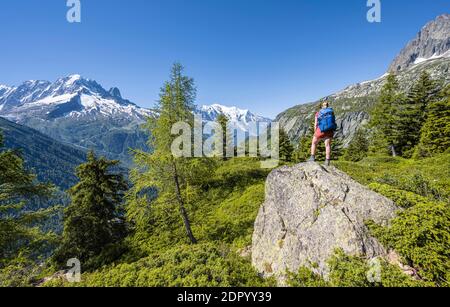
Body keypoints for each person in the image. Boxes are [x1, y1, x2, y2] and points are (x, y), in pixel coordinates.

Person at [308, 101, 336, 166]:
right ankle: (327, 161)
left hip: (320, 131)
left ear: (321, 106)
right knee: (327, 145)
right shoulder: (331, 112)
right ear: (327, 105)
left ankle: (312, 158)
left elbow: (315, 124)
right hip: (329, 130)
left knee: (314, 143)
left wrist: (315, 132)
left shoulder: (318, 113)